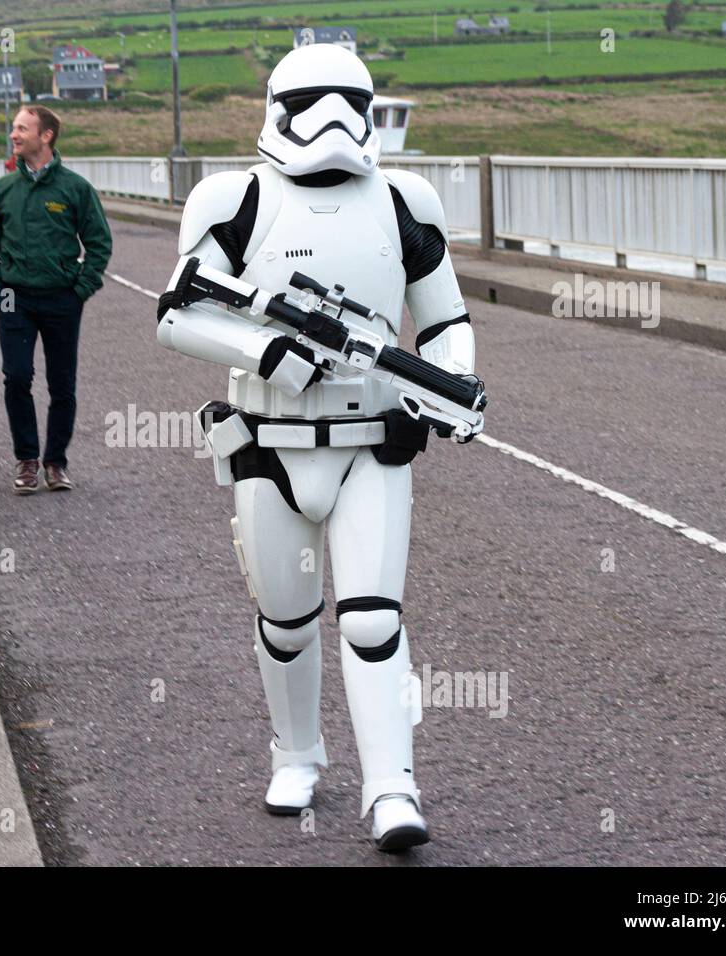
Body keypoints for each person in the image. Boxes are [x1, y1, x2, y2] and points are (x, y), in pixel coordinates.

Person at [154, 44, 484, 851]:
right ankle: (296, 753)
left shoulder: (404, 200)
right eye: (313, 102)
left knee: (373, 621)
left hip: (373, 445)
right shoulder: (233, 199)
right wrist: (266, 353)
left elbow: (444, 321)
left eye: (350, 102)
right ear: (276, 109)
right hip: (269, 444)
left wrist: (441, 387)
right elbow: (176, 313)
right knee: (287, 620)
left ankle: (392, 787)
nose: (333, 120)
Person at [0, 105, 112, 494]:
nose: (14, 135)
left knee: (62, 385)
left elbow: (99, 242)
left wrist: (82, 289)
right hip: (13, 299)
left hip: (61, 300)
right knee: (16, 376)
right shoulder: (2, 189)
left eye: (22, 128)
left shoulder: (75, 189)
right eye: (14, 128)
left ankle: (55, 462)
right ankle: (27, 460)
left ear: (45, 135)